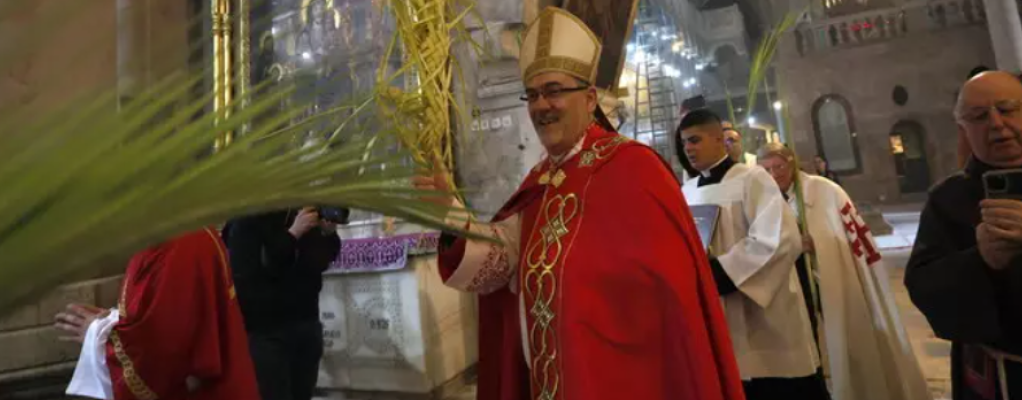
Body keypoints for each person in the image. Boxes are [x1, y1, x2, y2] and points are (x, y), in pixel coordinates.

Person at [413, 7, 744, 400]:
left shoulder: (635, 169)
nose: (540, 106)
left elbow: (671, 304)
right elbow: (500, 265)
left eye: (553, 90)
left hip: (625, 379)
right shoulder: (538, 180)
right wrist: (451, 216)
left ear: (589, 99)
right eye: (532, 95)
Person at [758, 143, 931, 400]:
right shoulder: (763, 198)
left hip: (829, 283)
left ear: (792, 162)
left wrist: (816, 244)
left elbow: (848, 239)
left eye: (779, 167)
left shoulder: (824, 191)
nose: (774, 175)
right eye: (767, 170)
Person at [677, 109, 827, 400]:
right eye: (684, 143)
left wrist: (721, 272)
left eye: (695, 140)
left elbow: (780, 238)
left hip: (763, 316)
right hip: (715, 308)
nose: (689, 149)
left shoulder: (753, 178)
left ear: (719, 139)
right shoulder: (687, 190)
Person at [906, 70, 1022, 400]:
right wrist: (980, 262)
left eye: (1008, 108)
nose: (997, 124)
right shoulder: (948, 198)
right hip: (1000, 377)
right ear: (964, 129)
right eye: (979, 116)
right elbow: (923, 285)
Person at [55, 228, 261, 400]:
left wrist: (99, 337)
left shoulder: (181, 246)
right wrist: (112, 320)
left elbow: (163, 354)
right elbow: (171, 313)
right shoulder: (170, 236)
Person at [223, 207, 342, 400]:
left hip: (306, 323)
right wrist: (293, 234)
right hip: (268, 332)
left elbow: (319, 263)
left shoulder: (302, 214)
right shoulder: (244, 221)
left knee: (302, 394)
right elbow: (252, 276)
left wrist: (327, 234)